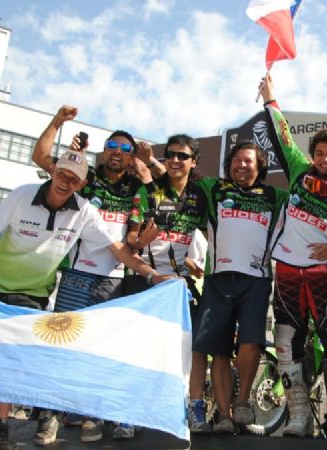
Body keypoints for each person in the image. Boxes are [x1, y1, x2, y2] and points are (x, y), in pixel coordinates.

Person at [0, 149, 171, 450]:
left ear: (81, 185)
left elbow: (118, 249)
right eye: (62, 174)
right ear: (53, 171)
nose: (66, 182)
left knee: (16, 361)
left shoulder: (84, 211)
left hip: (33, 292)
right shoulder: (21, 195)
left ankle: (0, 426)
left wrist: (151, 275)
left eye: (74, 179)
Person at [31, 105, 157, 444]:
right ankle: (50, 416)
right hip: (73, 274)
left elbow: (136, 231)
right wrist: (58, 123)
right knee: (61, 344)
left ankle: (91, 414)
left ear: (132, 157)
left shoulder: (138, 188)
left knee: (99, 347)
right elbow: (41, 157)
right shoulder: (85, 180)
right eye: (112, 146)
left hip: (114, 279)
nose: (118, 152)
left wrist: (147, 171)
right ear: (103, 152)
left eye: (126, 149)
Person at [259, 75, 327, 438]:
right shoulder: (298, 171)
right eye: (319, 153)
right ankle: (299, 417)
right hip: (287, 273)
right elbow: (282, 134)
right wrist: (271, 99)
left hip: (324, 277)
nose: (324, 159)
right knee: (286, 341)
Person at [191, 141, 287, 434]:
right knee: (217, 348)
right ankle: (222, 413)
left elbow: (306, 190)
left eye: (248, 161)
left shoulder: (275, 196)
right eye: (237, 160)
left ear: (259, 168)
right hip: (218, 278)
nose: (241, 165)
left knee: (251, 340)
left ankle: (243, 400)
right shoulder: (213, 188)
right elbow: (181, 178)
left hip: (256, 280)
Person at [122, 134, 211, 434]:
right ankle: (129, 414)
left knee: (194, 347)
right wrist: (140, 239)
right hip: (146, 278)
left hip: (180, 285)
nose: (175, 160)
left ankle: (195, 406)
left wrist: (199, 265)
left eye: (182, 156)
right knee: (137, 347)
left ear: (193, 161)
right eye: (171, 154)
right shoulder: (147, 192)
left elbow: (219, 232)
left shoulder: (201, 195)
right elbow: (130, 239)